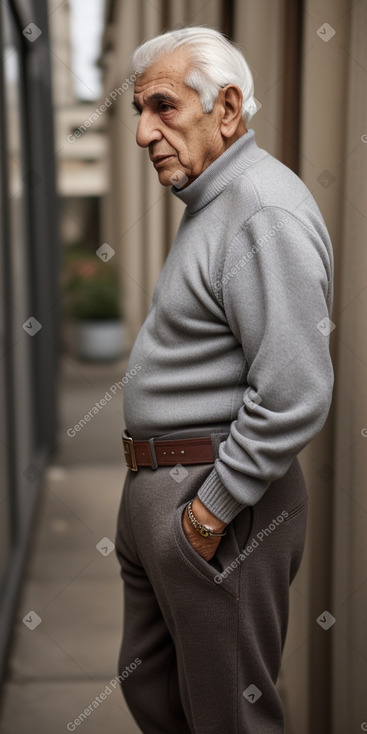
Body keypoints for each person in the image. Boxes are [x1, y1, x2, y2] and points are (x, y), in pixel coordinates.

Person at [115, 26, 334, 734]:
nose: (145, 132)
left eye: (162, 107)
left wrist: (207, 514)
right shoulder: (216, 202)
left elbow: (295, 389)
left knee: (230, 718)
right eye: (138, 113)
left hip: (217, 507)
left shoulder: (260, 211)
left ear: (228, 109)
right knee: (158, 695)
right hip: (166, 496)